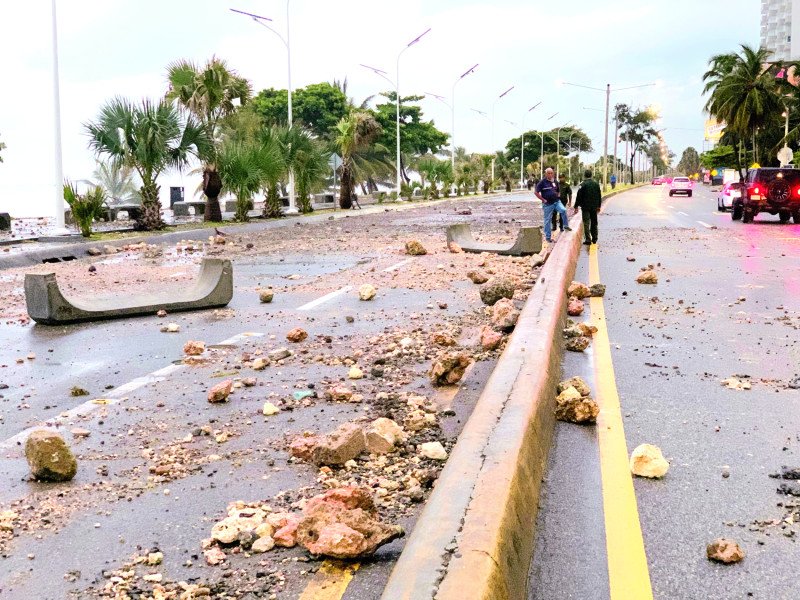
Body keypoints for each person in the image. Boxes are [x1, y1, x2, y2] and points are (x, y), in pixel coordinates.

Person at [535, 167, 571, 243]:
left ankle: (565, 225)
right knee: (547, 220)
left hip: (557, 202)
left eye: (552, 173)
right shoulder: (542, 182)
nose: (550, 174)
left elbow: (558, 190)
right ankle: (548, 237)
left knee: (563, 210)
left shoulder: (555, 181)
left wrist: (558, 195)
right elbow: (536, 192)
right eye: (549, 173)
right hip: (547, 204)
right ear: (546, 174)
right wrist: (543, 199)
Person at [574, 169, 602, 246]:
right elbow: (599, 195)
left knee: (586, 222)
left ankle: (588, 239)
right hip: (594, 207)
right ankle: (595, 238)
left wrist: (576, 206)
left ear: (584, 175)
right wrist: (599, 206)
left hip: (585, 207)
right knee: (594, 222)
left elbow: (578, 196)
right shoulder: (596, 184)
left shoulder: (582, 184)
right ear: (591, 175)